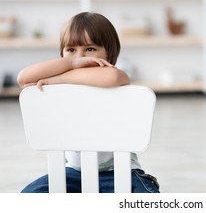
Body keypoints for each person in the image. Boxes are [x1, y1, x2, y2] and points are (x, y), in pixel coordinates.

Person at [17, 11, 160, 193]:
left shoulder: (112, 75)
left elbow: (113, 76)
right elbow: (23, 78)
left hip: (121, 172)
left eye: (90, 49)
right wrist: (72, 64)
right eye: (71, 50)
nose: (81, 57)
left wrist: (59, 79)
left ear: (110, 54)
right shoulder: (71, 68)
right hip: (73, 173)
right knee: (27, 198)